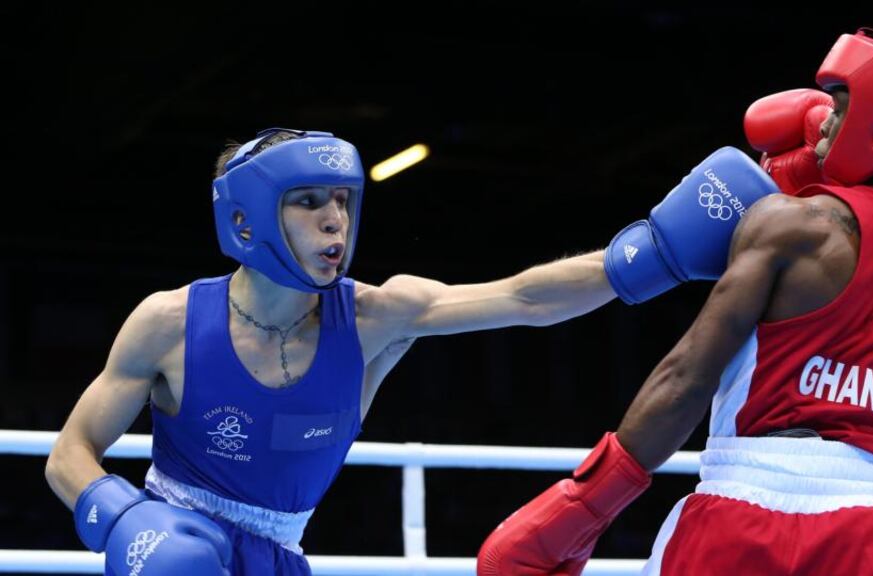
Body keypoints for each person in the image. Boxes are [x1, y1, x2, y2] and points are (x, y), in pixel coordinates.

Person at [43, 124, 778, 575]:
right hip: (165, 545)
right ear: (246, 219)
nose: (335, 221)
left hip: (282, 558)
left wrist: (655, 254)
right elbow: (69, 453)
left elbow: (524, 298)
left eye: (343, 200)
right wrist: (128, 520)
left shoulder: (372, 317)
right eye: (308, 202)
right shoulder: (167, 323)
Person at [478, 27, 873, 576]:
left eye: (839, 111)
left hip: (737, 514)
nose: (822, 132)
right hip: (867, 529)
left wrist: (586, 505)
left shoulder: (792, 226)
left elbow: (687, 376)